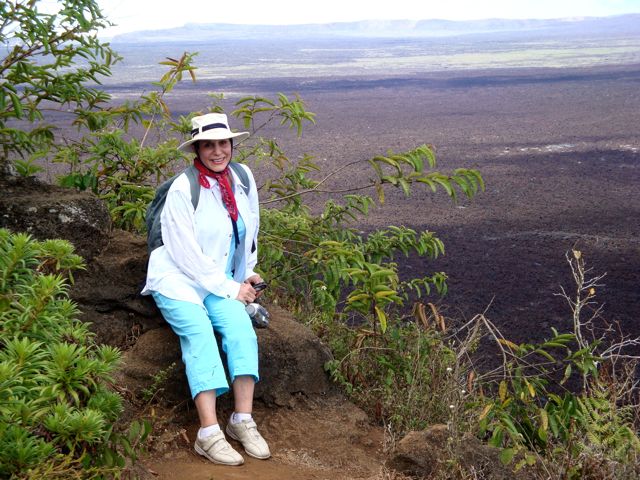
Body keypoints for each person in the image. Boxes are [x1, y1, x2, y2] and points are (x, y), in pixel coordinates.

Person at [142, 113, 269, 466]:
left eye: (223, 143)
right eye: (208, 145)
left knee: (241, 328)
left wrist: (247, 274)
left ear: (232, 144)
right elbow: (184, 253)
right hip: (178, 279)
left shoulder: (242, 178)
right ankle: (208, 433)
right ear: (197, 149)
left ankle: (242, 420)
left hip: (217, 279)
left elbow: (248, 231)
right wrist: (231, 287)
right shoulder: (184, 189)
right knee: (199, 333)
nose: (217, 151)